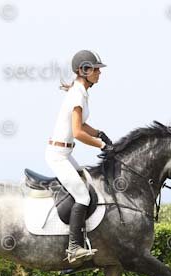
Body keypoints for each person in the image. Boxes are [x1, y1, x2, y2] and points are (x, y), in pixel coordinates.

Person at [46, 50, 114, 263]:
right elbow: (77, 132)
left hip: (65, 153)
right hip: (58, 155)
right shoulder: (77, 95)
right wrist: (101, 145)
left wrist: (99, 133)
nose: (99, 73)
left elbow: (83, 125)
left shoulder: (81, 92)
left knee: (87, 182)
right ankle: (74, 247)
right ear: (84, 70)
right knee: (83, 197)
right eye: (96, 70)